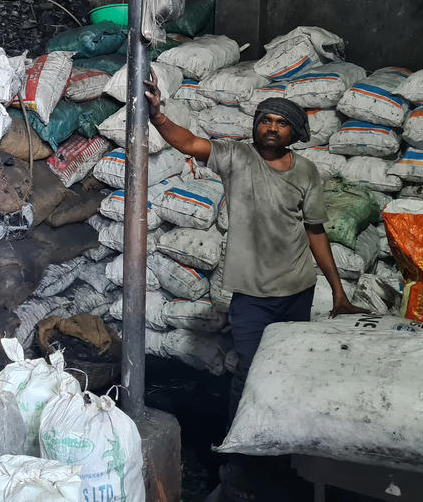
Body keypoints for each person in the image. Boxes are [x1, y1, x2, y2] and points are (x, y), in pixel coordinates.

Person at [144, 74, 368, 421]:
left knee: (287, 367)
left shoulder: (306, 171)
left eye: (281, 123)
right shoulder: (236, 157)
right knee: (249, 371)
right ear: (255, 126)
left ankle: (280, 437)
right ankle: (240, 448)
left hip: (297, 290)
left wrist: (339, 294)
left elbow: (316, 232)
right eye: (266, 120)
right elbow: (189, 143)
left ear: (294, 133)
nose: (272, 127)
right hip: (251, 297)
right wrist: (158, 115)